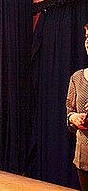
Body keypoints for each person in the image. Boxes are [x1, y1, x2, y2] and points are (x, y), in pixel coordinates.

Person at [66, 23, 88, 191]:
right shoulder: (77, 77)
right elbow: (69, 112)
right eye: (86, 37)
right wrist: (73, 118)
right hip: (84, 155)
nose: (87, 42)